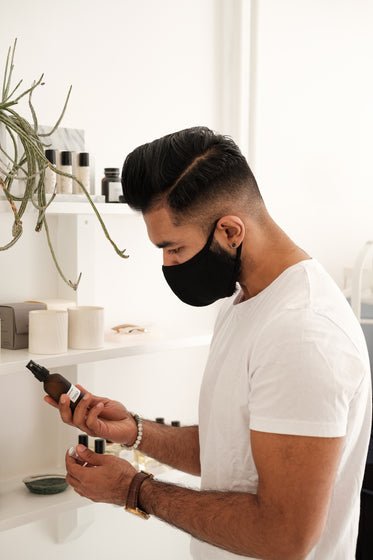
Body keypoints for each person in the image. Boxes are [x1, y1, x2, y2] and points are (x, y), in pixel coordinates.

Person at [46, 126, 372, 560]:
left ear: (230, 232)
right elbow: (232, 454)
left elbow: (284, 536)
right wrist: (134, 431)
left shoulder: (303, 332)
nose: (167, 264)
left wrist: (133, 489)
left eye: (174, 248)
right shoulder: (247, 301)